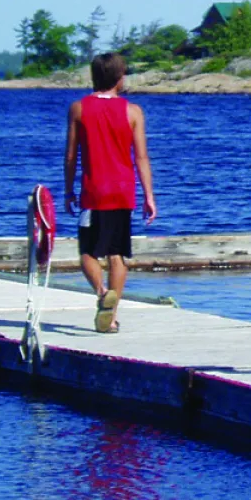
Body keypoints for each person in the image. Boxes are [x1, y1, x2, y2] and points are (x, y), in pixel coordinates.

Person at [63, 53, 157, 334]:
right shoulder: (133, 112)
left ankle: (102, 292)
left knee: (87, 254)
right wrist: (149, 196)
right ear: (120, 77)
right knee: (117, 255)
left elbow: (71, 156)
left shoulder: (78, 109)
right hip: (123, 192)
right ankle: (112, 317)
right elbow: (141, 157)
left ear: (93, 77)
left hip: (94, 193)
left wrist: (68, 190)